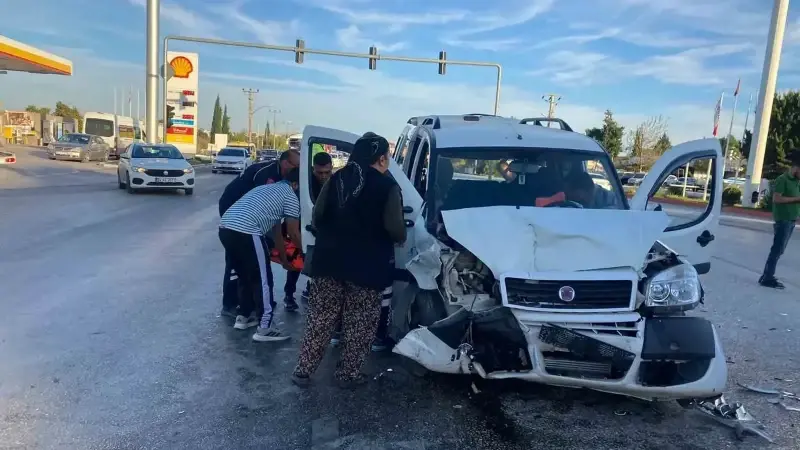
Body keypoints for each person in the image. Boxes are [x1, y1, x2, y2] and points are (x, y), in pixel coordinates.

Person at [292, 133, 406, 387]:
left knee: (320, 319)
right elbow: (395, 229)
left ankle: (303, 371)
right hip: (366, 268)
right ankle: (348, 375)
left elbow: (317, 217)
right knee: (360, 323)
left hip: (328, 261)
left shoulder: (335, 179)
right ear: (380, 159)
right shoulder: (387, 187)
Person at [218, 168, 303, 342]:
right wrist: (306, 253)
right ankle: (264, 328)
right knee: (262, 279)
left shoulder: (265, 189)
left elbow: (276, 231)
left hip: (225, 227)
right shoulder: (291, 197)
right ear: (296, 184)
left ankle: (244, 316)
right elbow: (294, 233)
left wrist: (285, 260)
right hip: (247, 230)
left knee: (245, 275)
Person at [284, 152, 334, 306]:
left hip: (324, 228)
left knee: (320, 264)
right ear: (313, 169)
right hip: (304, 225)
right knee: (297, 262)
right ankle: (289, 294)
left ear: (332, 168)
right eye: (320, 173)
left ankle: (310, 288)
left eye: (327, 172)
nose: (323, 176)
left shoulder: (335, 182)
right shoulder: (306, 182)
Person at [759, 154, 800, 289]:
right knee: (777, 249)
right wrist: (796, 199)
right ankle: (767, 277)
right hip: (783, 220)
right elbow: (777, 199)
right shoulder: (782, 179)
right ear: (796, 168)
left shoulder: (796, 181)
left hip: (791, 220)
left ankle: (766, 275)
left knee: (779, 250)